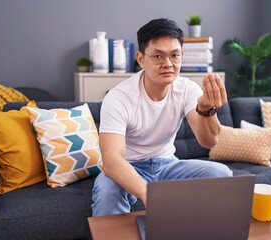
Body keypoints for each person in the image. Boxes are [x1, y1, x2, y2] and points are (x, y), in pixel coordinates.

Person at [91, 18, 232, 216]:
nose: (168, 64)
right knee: (107, 191)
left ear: (182, 56)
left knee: (222, 175)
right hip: (129, 166)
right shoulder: (119, 97)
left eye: (175, 55)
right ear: (141, 59)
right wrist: (146, 192)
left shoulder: (187, 89)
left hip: (167, 165)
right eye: (158, 56)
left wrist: (206, 109)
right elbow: (112, 160)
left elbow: (209, 142)